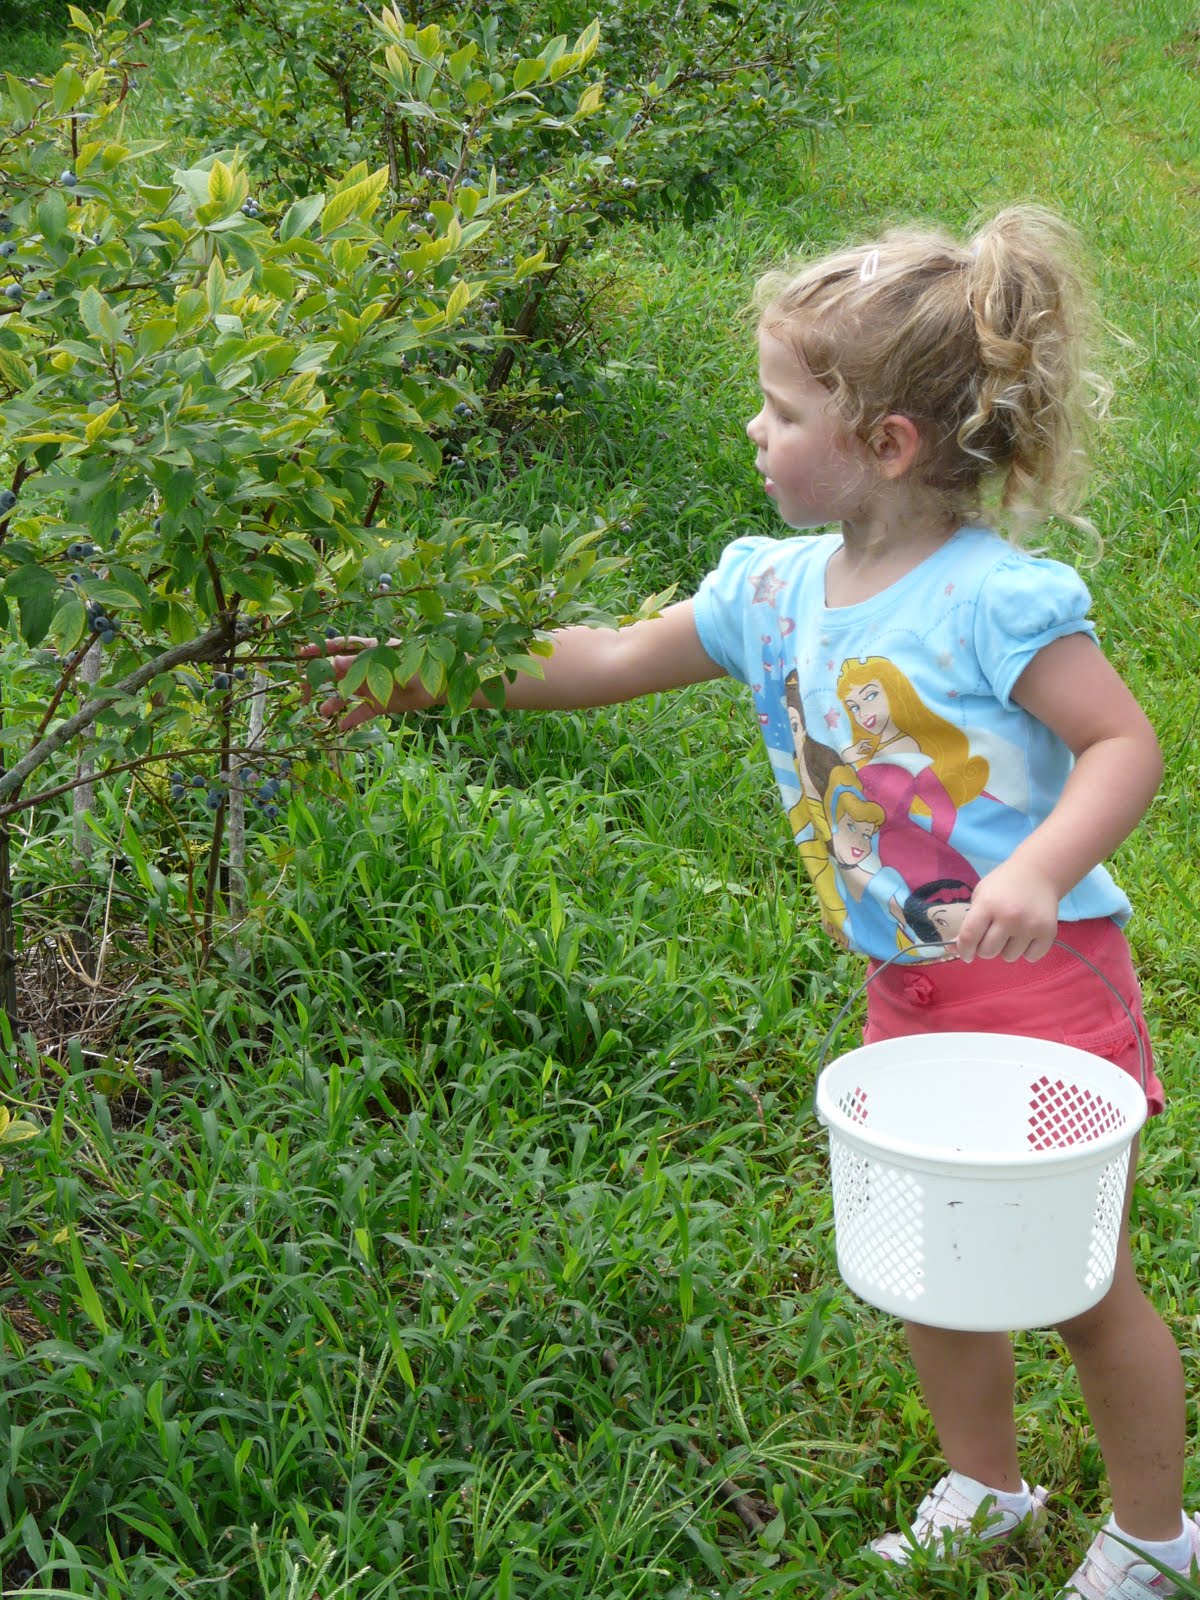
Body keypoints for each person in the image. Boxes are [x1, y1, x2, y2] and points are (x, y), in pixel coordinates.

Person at [307, 205, 1193, 1597]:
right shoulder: (773, 591)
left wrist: (1033, 869)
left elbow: (1122, 744)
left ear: (882, 444)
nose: (753, 434)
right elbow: (600, 657)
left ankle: (1152, 1535)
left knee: (1077, 1282)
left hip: (1041, 992)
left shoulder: (995, 604)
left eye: (778, 412)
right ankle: (988, 1482)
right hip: (910, 987)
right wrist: (425, 669)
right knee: (936, 1261)